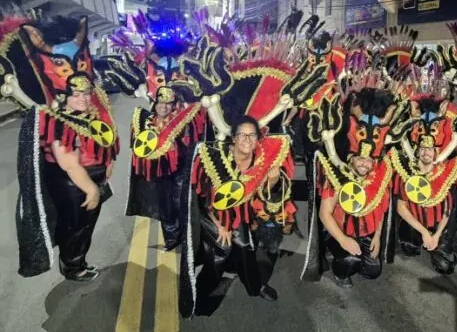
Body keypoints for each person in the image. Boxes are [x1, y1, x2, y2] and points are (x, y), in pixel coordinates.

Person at [189, 115, 295, 307]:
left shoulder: (261, 160)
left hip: (239, 214)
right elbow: (205, 200)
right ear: (234, 138)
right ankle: (199, 294)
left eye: (252, 135)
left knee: (246, 247)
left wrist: (272, 181)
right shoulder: (216, 159)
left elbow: (263, 197)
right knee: (221, 251)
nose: (247, 140)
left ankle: (256, 286)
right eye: (242, 135)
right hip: (212, 214)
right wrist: (221, 225)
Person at [39, 73, 119, 280]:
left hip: (92, 178)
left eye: (86, 94)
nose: (83, 99)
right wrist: (91, 189)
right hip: (75, 185)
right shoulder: (59, 121)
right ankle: (73, 268)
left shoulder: (89, 116)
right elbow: (69, 164)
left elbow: (102, 142)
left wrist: (108, 162)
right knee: (76, 227)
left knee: (85, 226)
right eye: (76, 95)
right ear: (65, 96)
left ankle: (79, 261)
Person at [127, 86, 199, 250]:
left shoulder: (180, 123)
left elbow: (189, 144)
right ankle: (172, 239)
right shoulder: (143, 121)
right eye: (161, 102)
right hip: (159, 174)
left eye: (168, 104)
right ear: (154, 103)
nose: (164, 107)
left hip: (179, 171)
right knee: (165, 207)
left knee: (182, 204)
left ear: (173, 105)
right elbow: (136, 146)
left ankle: (186, 237)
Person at [391, 135, 457, 274]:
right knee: (409, 248)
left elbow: (447, 210)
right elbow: (401, 208)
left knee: (445, 267)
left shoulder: (444, 174)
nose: (426, 153)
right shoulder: (408, 174)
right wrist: (424, 232)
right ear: (417, 151)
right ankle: (416, 242)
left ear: (435, 153)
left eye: (430, 149)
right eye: (422, 149)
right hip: (414, 225)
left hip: (438, 226)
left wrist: (437, 235)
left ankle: (433, 244)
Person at [317, 146, 392, 288]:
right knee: (350, 260)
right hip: (338, 233)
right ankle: (339, 270)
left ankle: (351, 258)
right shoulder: (337, 178)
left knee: (373, 272)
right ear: (351, 159)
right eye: (360, 158)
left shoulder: (377, 180)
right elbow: (324, 214)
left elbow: (380, 210)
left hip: (365, 234)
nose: (364, 164)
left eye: (369, 160)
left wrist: (377, 236)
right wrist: (343, 240)